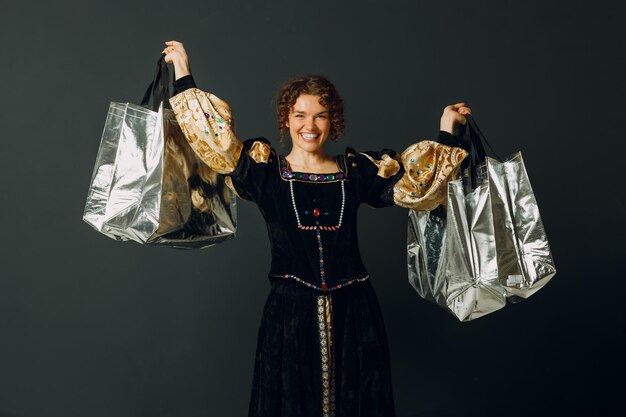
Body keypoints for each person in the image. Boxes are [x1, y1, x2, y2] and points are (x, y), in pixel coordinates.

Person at [162, 40, 470, 417]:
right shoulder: (265, 171)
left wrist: (446, 129)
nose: (310, 125)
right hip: (290, 318)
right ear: (286, 119)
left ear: (333, 121)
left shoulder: (355, 171)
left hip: (355, 315)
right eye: (300, 115)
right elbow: (213, 140)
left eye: (321, 116)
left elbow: (417, 182)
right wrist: (183, 72)